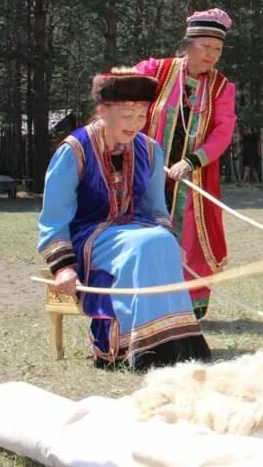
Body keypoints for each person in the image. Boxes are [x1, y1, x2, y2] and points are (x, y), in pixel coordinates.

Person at [37, 70, 211, 370]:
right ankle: (140, 348)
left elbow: (157, 210)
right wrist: (63, 267)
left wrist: (169, 241)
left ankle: (177, 345)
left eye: (141, 115)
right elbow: (54, 215)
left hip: (139, 232)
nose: (135, 124)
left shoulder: (149, 150)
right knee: (146, 244)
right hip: (89, 237)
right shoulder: (74, 150)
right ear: (103, 111)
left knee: (160, 241)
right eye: (127, 115)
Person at [135, 8, 237, 320]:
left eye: (217, 50)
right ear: (188, 43)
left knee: (191, 236)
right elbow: (125, 103)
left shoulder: (221, 88)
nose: (212, 55)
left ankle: (186, 307)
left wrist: (190, 162)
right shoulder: (155, 71)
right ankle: (142, 301)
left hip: (193, 179)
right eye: (205, 47)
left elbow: (222, 132)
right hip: (144, 171)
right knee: (140, 233)